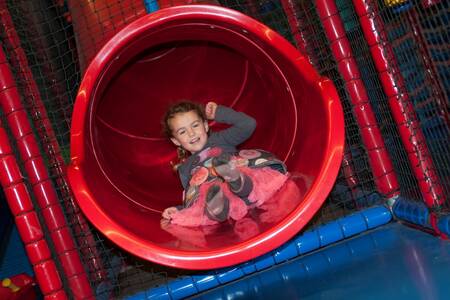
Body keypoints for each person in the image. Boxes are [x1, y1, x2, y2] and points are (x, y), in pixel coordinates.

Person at [161, 101, 289, 227]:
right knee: (209, 198)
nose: (191, 133)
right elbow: (192, 197)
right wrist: (178, 210)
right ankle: (217, 208)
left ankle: (237, 181)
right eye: (182, 132)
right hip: (221, 201)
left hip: (244, 179)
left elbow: (248, 124)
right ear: (176, 141)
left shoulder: (220, 139)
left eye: (195, 125)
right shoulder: (184, 168)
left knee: (236, 171)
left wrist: (218, 113)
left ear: (205, 125)